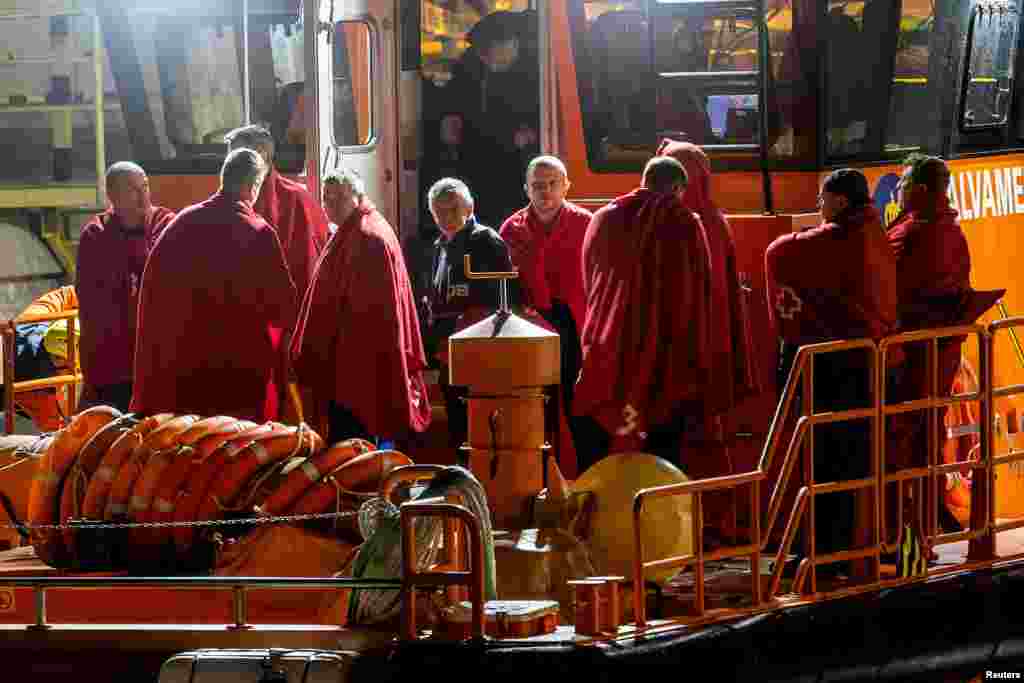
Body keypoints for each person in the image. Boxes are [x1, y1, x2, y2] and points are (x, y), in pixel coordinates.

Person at [765, 168, 897, 570]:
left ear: (839, 201)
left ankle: (822, 553)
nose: (818, 207)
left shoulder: (839, 239)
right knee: (852, 459)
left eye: (822, 200)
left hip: (838, 365)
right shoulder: (877, 235)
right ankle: (842, 548)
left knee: (826, 459)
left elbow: (778, 253)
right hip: (872, 360)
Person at [131, 148, 298, 422]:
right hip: (238, 376)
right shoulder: (258, 232)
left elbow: (153, 293)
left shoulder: (182, 222)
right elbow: (283, 305)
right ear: (252, 186)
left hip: (183, 372)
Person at [572, 156, 713, 474]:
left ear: (643, 180)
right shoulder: (684, 221)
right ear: (678, 189)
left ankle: (599, 521)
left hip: (606, 351)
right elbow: (698, 292)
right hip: (662, 361)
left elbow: (589, 280)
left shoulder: (603, 218)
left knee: (598, 459)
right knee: (661, 464)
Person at [658, 139, 760, 540]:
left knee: (690, 440)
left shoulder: (684, 223)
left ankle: (702, 524)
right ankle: (714, 522)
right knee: (706, 438)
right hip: (707, 350)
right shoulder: (713, 221)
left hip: (682, 353)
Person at [290, 168, 431, 445]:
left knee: (356, 441)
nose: (330, 205)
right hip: (350, 362)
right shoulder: (355, 229)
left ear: (357, 196)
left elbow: (371, 313)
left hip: (358, 367)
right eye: (326, 198)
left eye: (339, 198)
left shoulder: (367, 238)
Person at [499, 155, 590, 458]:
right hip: (530, 327)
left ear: (566, 186)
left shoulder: (586, 224)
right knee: (536, 402)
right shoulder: (512, 228)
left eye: (553, 184)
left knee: (578, 400)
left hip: (577, 325)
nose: (545, 192)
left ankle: (584, 471)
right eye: (538, 185)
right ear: (526, 189)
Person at [76, 162, 176, 412]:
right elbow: (92, 301)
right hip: (111, 360)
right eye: (133, 190)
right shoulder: (96, 234)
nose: (144, 196)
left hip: (156, 357)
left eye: (145, 187)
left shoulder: (166, 224)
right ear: (113, 196)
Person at [427, 177, 515, 448]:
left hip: (478, 351)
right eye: (439, 211)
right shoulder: (439, 246)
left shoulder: (487, 241)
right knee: (455, 421)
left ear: (471, 207)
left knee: (476, 424)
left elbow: (502, 300)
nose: (446, 217)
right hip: (448, 350)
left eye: (453, 209)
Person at [223, 124, 329, 299]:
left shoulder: (297, 200)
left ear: (263, 156)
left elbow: (306, 271)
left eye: (236, 160)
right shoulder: (230, 197)